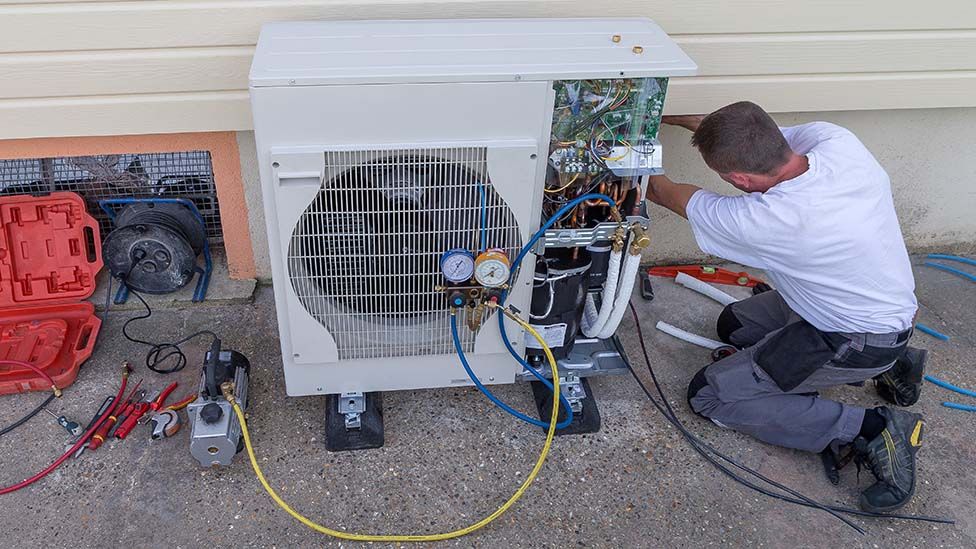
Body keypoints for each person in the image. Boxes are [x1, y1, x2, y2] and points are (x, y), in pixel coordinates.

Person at [645, 101, 927, 513]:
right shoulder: (837, 143)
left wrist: (631, 136)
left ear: (738, 178)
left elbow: (657, 189)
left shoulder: (773, 219)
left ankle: (872, 429)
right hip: (871, 307)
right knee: (734, 325)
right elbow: (731, 129)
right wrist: (653, 114)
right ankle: (897, 363)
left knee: (711, 395)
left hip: (852, 336)